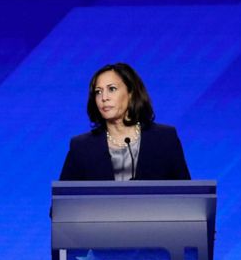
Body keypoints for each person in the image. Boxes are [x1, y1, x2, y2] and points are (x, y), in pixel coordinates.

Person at [59, 62, 190, 181]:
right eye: (98, 92)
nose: (104, 98)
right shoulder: (81, 147)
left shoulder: (165, 138)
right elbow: (61, 204)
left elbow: (188, 198)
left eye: (112, 89)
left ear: (131, 92)